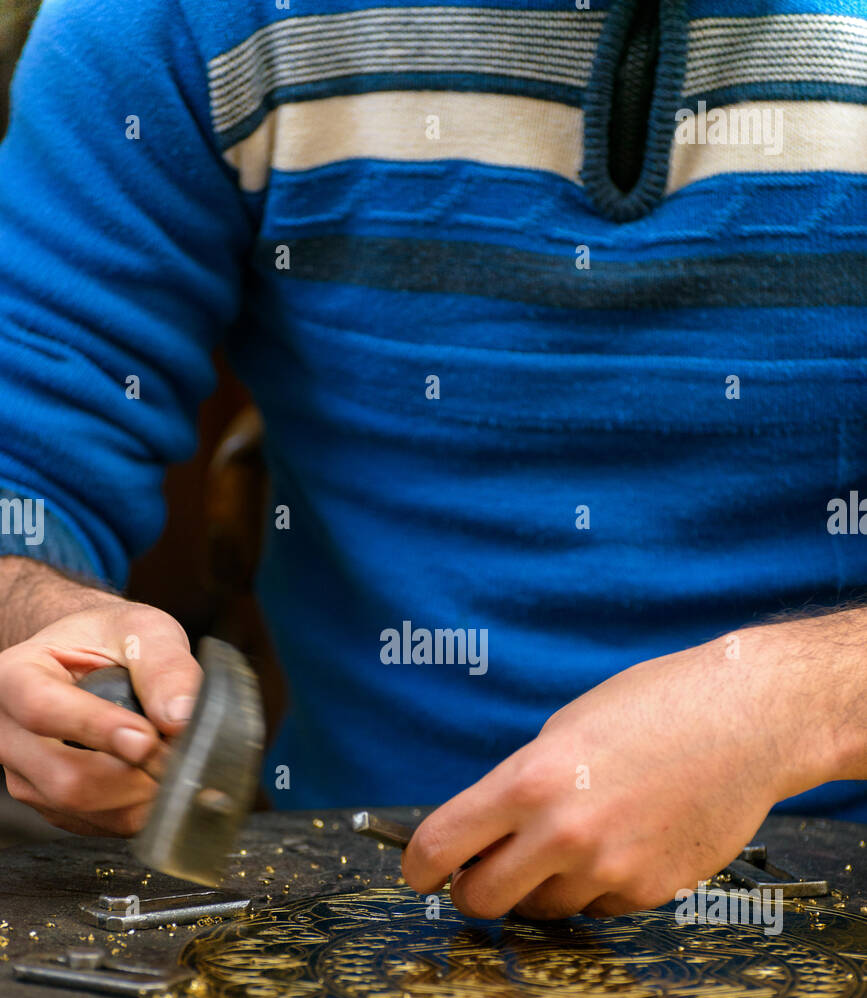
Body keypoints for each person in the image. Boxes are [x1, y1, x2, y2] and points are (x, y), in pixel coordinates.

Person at [0, 0, 863, 920]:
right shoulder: (173, 20)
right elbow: (30, 453)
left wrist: (790, 704)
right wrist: (44, 627)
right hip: (356, 898)